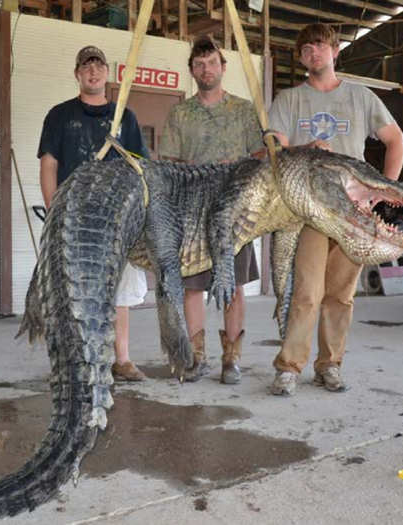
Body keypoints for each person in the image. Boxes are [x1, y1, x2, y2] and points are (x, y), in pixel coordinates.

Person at [268, 23, 403, 396]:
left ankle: (330, 365)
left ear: (335, 51)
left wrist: (380, 192)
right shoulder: (288, 100)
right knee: (306, 292)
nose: (314, 53)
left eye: (320, 46)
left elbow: (396, 141)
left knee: (341, 295)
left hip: (353, 211)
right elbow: (275, 150)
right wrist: (302, 149)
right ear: (300, 58)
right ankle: (290, 367)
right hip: (309, 210)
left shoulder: (360, 97)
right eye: (306, 49)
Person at [37, 45, 149, 382]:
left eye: (98, 66)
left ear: (107, 74)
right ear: (77, 74)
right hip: (73, 217)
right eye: (86, 66)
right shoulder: (59, 116)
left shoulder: (123, 118)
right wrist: (54, 209)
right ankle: (75, 361)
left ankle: (122, 359)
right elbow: (48, 164)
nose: (93, 72)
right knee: (73, 291)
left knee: (121, 290)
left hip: (116, 219)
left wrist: (137, 213)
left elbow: (139, 167)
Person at [159, 35, 264, 385]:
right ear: (192, 70)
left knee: (232, 286)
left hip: (235, 212)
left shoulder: (245, 110)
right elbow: (168, 163)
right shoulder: (180, 113)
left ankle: (231, 358)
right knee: (192, 287)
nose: (206, 69)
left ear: (223, 66)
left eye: (212, 63)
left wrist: (237, 164)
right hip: (192, 214)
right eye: (199, 64)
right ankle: (195, 355)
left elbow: (262, 155)